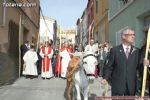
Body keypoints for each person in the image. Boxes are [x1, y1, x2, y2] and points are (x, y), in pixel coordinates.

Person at [101, 27, 141, 96]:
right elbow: (109, 66)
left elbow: (140, 68)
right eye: (130, 34)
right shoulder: (115, 50)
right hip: (118, 86)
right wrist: (105, 78)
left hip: (131, 87)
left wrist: (146, 64)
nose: (133, 36)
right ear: (123, 36)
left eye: (134, 35)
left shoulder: (137, 51)